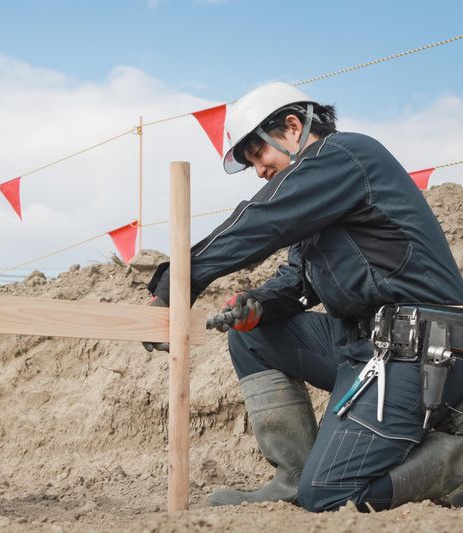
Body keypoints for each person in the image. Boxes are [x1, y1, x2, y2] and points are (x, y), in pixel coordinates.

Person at [146, 81, 463, 512]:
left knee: (330, 495)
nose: (258, 170)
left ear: (292, 127)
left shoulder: (345, 156)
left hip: (422, 348)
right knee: (251, 334)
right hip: (366, 346)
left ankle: (455, 461)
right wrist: (256, 304)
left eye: (259, 154)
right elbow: (298, 282)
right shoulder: (324, 203)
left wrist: (177, 284)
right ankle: (292, 477)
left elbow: (263, 220)